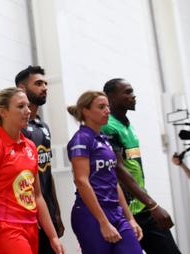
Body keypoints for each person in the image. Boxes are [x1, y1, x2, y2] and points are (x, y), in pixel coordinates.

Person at [0, 87, 63, 254]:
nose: (28, 111)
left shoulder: (30, 146)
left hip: (31, 227)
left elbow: (37, 196)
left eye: (28, 106)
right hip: (6, 228)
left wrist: (53, 237)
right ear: (3, 112)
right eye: (21, 106)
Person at [101, 78, 181, 254]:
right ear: (110, 96)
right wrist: (153, 205)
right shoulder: (108, 127)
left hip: (142, 206)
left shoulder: (127, 124)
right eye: (127, 92)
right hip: (125, 213)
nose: (133, 95)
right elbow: (119, 170)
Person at [66, 91, 143, 253]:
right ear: (85, 111)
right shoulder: (81, 139)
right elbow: (81, 181)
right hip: (91, 215)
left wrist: (130, 218)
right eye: (101, 107)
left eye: (107, 106)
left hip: (115, 211)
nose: (107, 110)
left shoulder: (104, 140)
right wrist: (103, 222)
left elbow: (113, 182)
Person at [15, 66, 64, 253]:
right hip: (25, 214)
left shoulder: (43, 127)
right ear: (22, 88)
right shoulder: (15, 128)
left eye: (45, 83)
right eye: (38, 84)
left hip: (46, 209)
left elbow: (47, 171)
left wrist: (56, 212)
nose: (44, 87)